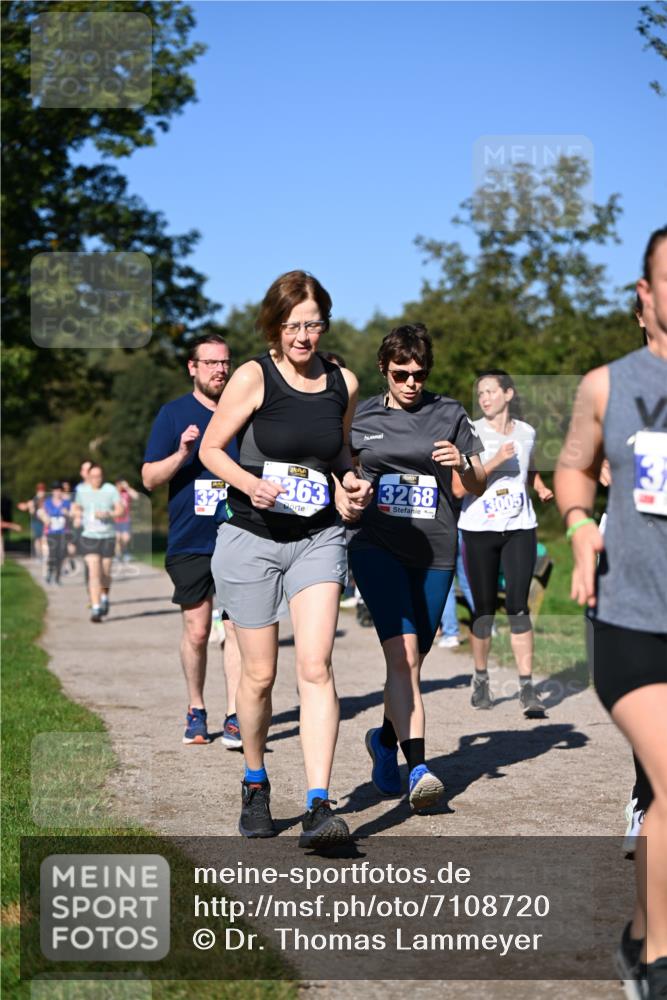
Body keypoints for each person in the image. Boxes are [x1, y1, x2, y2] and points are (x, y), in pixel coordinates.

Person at [199, 270, 372, 846]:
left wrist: (351, 484)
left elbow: (340, 451)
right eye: (294, 325)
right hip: (250, 537)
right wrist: (249, 484)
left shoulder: (341, 382)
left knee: (316, 665)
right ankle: (255, 783)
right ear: (275, 325)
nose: (304, 336)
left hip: (317, 538)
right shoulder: (253, 375)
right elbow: (211, 449)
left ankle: (320, 804)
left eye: (313, 324)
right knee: (260, 674)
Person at [554, 226, 667, 1000]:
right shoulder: (606, 385)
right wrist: (579, 524)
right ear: (645, 296)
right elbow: (570, 468)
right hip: (631, 622)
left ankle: (634, 938)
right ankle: (659, 958)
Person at [343, 324, 485, 810]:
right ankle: (419, 767)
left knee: (412, 660)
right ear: (384, 369)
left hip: (436, 551)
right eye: (401, 373)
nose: (411, 383)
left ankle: (384, 740)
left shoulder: (449, 412)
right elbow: (342, 473)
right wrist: (350, 492)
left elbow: (480, 482)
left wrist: (463, 463)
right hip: (375, 546)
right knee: (402, 655)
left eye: (419, 374)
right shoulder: (359, 419)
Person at [142, 333, 243, 749]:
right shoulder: (173, 414)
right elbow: (149, 479)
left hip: (240, 535)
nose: (220, 370)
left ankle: (236, 714)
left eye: (225, 363)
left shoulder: (243, 412)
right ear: (193, 368)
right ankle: (196, 709)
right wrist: (182, 453)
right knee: (198, 630)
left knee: (238, 629)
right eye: (211, 363)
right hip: (190, 539)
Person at [457, 369, 554, 717]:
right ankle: (481, 678)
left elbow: (528, 466)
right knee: (483, 610)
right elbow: (459, 488)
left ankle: (527, 688)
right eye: (480, 392)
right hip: (478, 529)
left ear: (508, 394)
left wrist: (540, 487)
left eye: (490, 391)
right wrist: (495, 460)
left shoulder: (527, 432)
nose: (484, 398)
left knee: (518, 606)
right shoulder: (470, 432)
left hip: (520, 527)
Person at [71, 464, 123, 622]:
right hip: (89, 536)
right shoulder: (82, 491)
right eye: (93, 476)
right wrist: (77, 516)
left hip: (107, 536)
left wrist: (109, 513)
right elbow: (76, 507)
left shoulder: (110, 489)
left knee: (105, 573)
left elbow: (120, 510)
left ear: (103, 476)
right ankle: (95, 608)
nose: (96, 479)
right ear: (88, 476)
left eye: (99, 476)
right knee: (94, 572)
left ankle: (104, 597)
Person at [437, 528, 475, 648]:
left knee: (446, 587)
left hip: (443, 532)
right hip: (464, 531)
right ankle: (487, 626)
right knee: (469, 584)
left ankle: (450, 634)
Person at [39, 482, 72, 584]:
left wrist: (67, 513)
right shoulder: (47, 503)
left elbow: (72, 516)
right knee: (52, 554)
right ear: (52, 491)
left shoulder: (66, 503)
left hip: (63, 532)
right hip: (51, 532)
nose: (57, 492)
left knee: (61, 555)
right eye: (55, 490)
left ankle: (57, 577)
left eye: (59, 490)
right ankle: (50, 571)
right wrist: (46, 518)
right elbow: (41, 513)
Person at [114, 479, 140, 562]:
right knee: (117, 538)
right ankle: (118, 555)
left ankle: (125, 553)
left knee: (126, 538)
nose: (120, 486)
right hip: (115, 519)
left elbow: (136, 496)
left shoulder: (126, 493)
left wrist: (127, 487)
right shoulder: (113, 493)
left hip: (125, 518)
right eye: (119, 484)